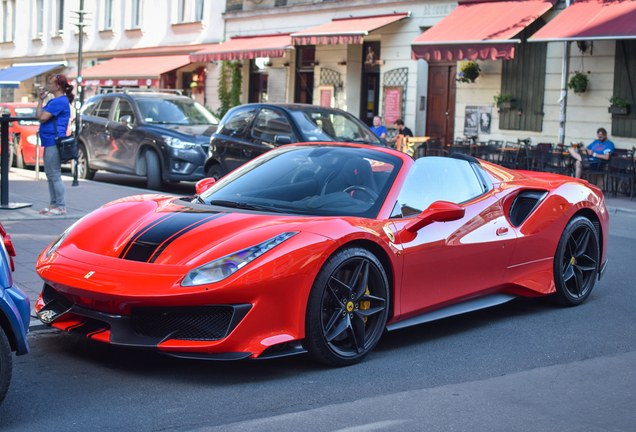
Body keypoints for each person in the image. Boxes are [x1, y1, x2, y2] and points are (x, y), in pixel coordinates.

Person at [36, 73, 74, 216]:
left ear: (57, 86)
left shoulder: (59, 101)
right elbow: (38, 115)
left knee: (55, 175)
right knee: (50, 174)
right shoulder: (53, 101)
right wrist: (41, 100)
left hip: (54, 142)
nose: (48, 85)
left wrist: (42, 111)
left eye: (51, 83)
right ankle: (53, 204)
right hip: (49, 142)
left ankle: (61, 206)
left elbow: (42, 118)